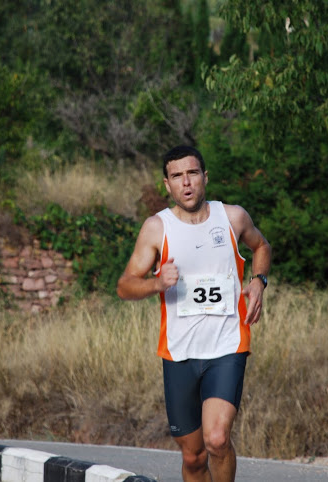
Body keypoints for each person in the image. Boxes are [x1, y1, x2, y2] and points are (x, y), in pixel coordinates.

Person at [116, 145, 272, 482]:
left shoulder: (232, 217)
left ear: (205, 177)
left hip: (227, 347)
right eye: (177, 176)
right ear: (167, 185)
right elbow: (125, 285)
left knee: (216, 440)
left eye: (192, 173)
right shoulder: (158, 228)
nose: (186, 183)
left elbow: (261, 247)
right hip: (179, 353)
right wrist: (156, 284)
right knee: (194, 456)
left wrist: (258, 281)